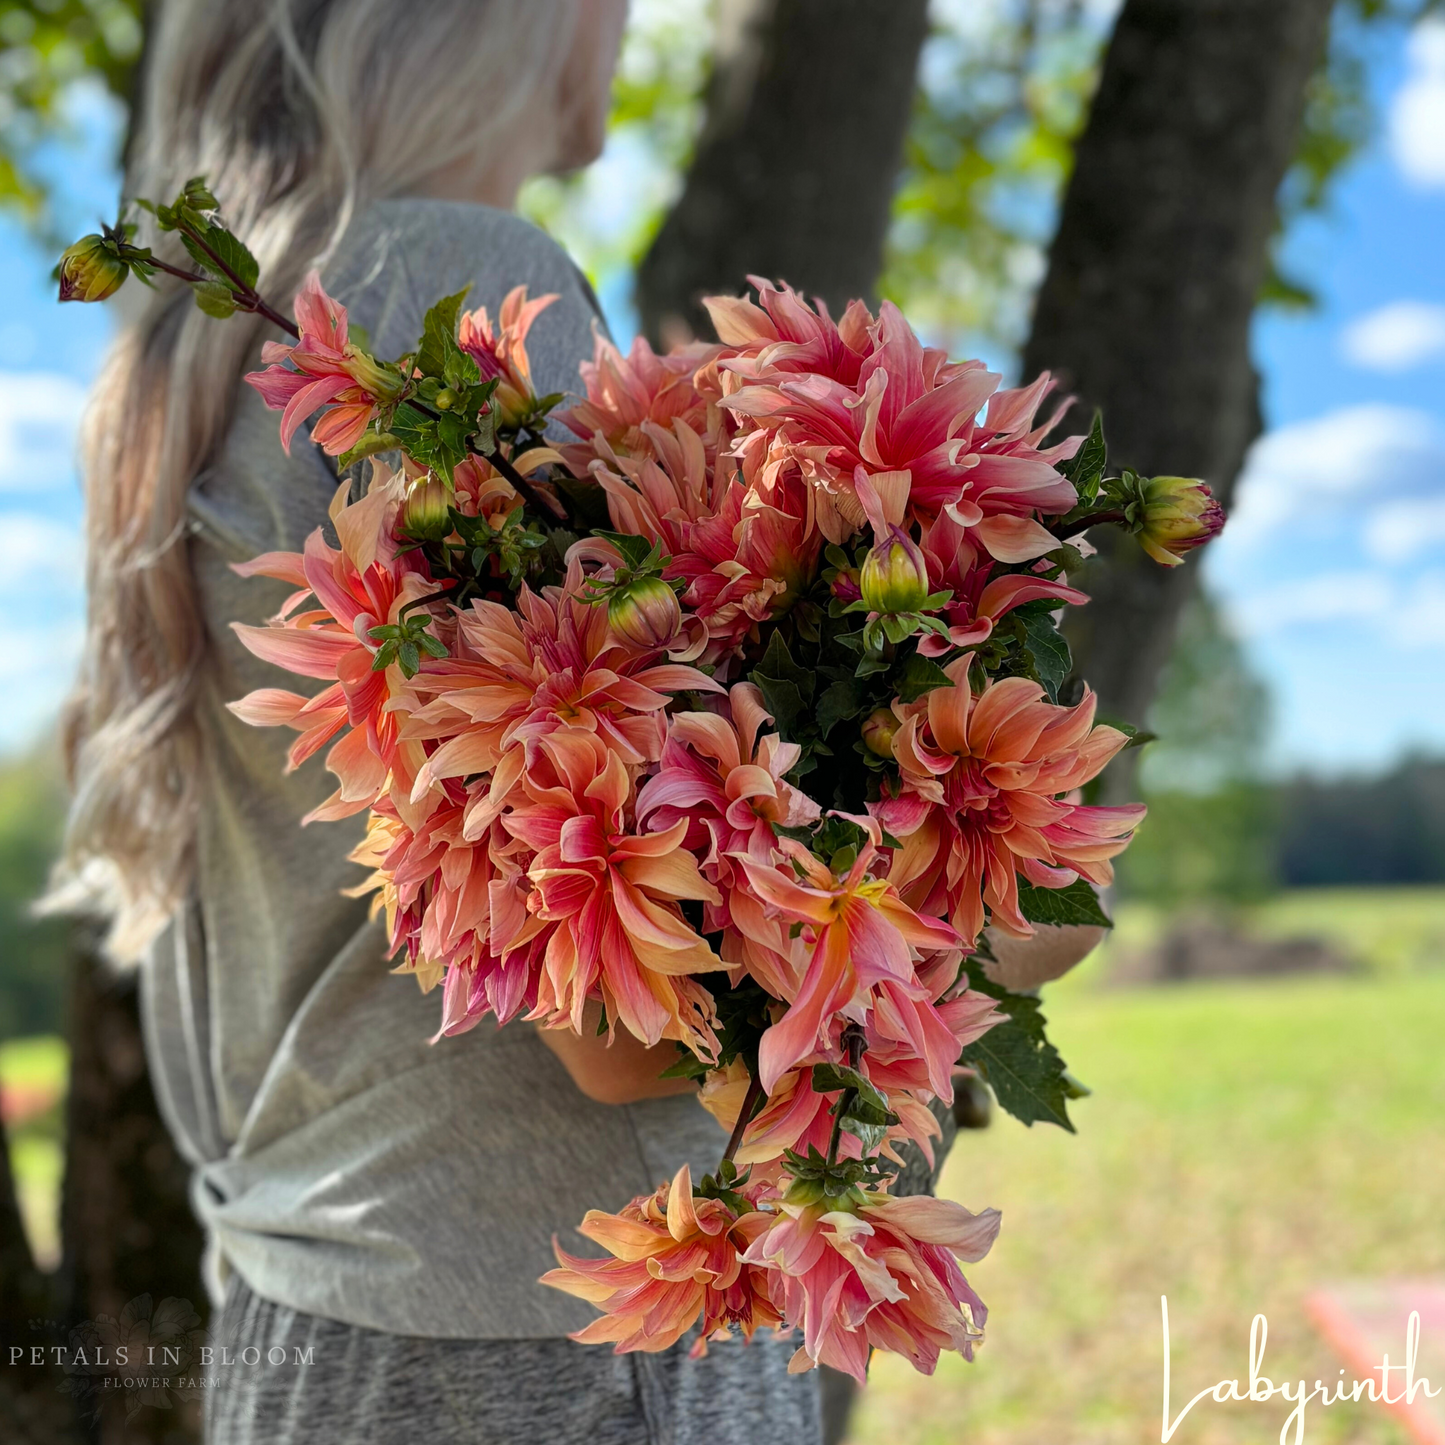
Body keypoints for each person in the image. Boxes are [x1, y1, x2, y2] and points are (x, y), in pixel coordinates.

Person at [56, 2, 1102, 1441]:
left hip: (315, 1319)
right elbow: (614, 1027)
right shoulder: (447, 282)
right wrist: (1021, 889)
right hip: (542, 1339)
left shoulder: (184, 354)